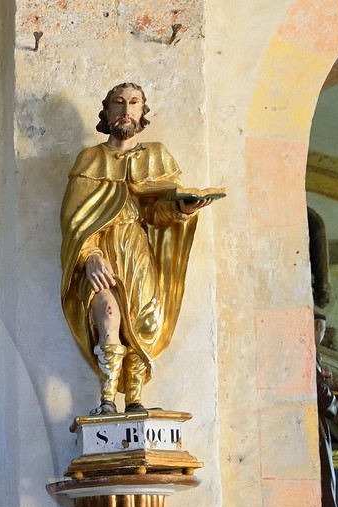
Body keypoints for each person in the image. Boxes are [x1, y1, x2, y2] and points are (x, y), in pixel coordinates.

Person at [60, 82, 215, 414]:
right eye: (119, 102)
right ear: (107, 111)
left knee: (144, 322)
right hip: (104, 252)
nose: (126, 109)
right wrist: (90, 256)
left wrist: (182, 209)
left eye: (134, 102)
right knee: (107, 315)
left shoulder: (156, 156)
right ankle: (106, 400)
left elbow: (156, 215)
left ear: (143, 111)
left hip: (138, 249)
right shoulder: (91, 158)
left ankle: (134, 400)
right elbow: (75, 219)